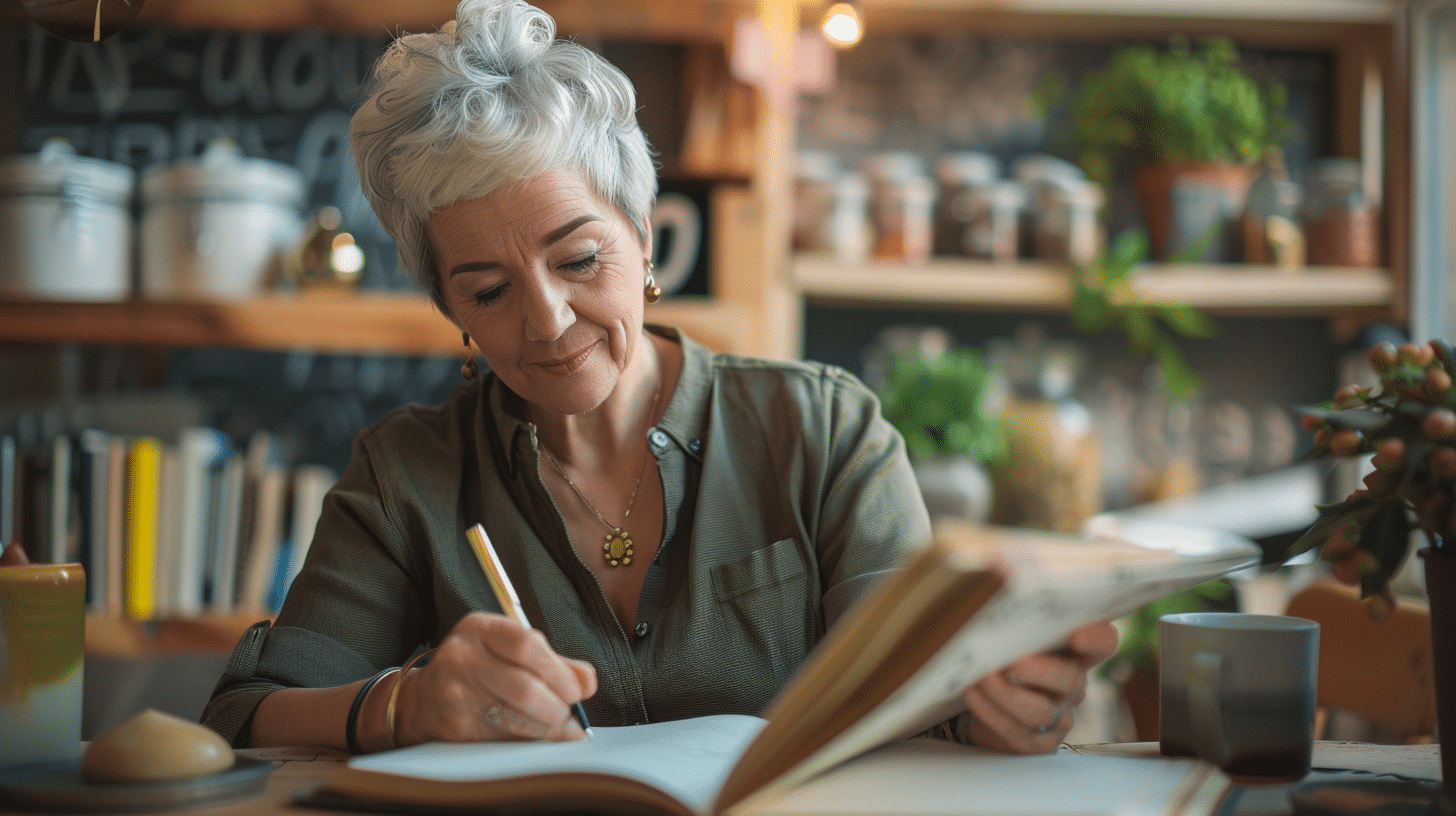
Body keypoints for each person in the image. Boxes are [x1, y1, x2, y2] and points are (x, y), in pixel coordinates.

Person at [199, 0, 1116, 756]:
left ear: (644, 239)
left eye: (580, 260)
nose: (548, 322)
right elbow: (246, 715)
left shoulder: (824, 431)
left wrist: (994, 701)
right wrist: (408, 704)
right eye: (489, 288)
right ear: (452, 310)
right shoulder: (409, 473)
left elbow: (921, 690)